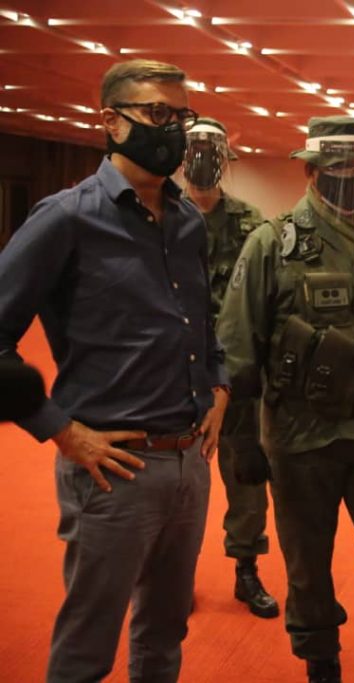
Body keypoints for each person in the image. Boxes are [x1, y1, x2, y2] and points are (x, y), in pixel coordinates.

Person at [0, 59, 228, 682]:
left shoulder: (187, 221)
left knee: (165, 632)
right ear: (111, 121)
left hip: (188, 462)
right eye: (157, 113)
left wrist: (220, 383)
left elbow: (200, 320)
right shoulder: (66, 217)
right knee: (88, 646)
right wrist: (60, 430)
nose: (173, 129)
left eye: (181, 116)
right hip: (113, 468)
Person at [216, 116, 354, 683]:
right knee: (307, 563)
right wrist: (243, 441)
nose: (353, 179)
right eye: (340, 169)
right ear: (311, 171)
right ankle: (320, 660)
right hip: (299, 436)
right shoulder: (272, 244)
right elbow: (237, 350)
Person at [182, 117, 279, 619]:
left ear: (226, 161)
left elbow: (267, 297)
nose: (201, 161)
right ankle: (174, 576)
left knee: (246, 480)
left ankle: (246, 570)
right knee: (178, 483)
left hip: (238, 374)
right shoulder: (161, 214)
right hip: (178, 375)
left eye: (211, 152)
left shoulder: (251, 223)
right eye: (194, 151)